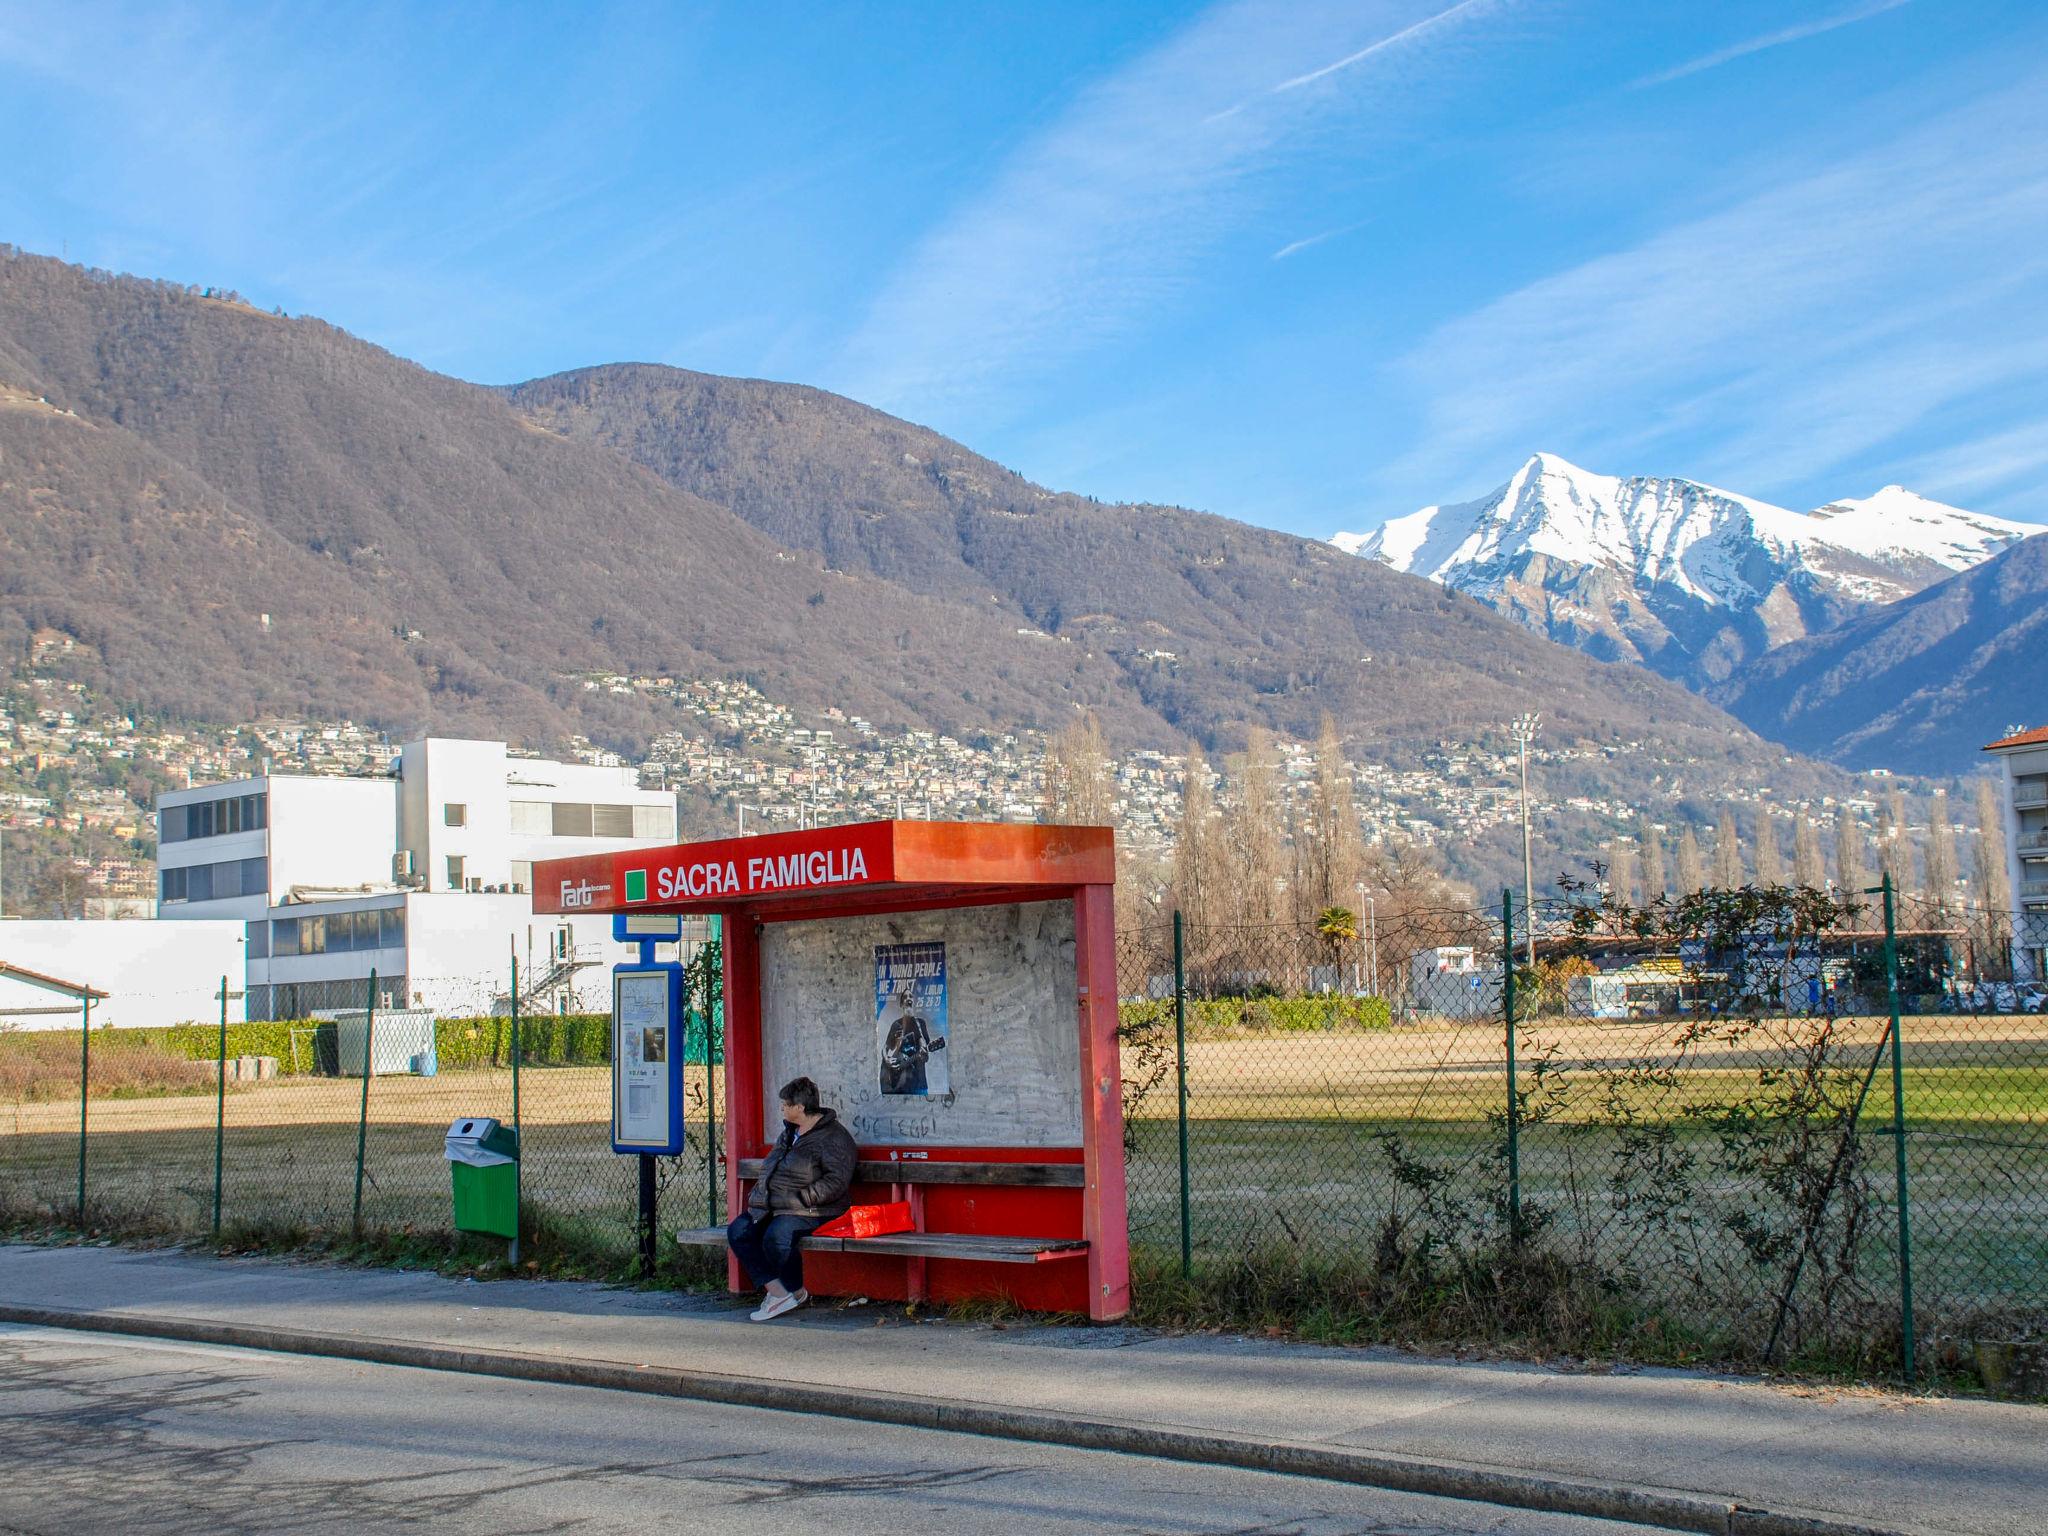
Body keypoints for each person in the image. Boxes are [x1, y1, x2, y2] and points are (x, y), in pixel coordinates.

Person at [724, 1076, 858, 1321]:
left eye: (786, 1104)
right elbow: (772, 1166)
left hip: (814, 1209)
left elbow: (836, 1181)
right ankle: (779, 1293)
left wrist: (803, 1198)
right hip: (775, 1205)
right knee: (738, 1231)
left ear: (800, 1107)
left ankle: (794, 1290)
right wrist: (761, 1195)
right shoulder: (789, 1133)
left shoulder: (833, 1137)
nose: (782, 1109)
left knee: (777, 1237)